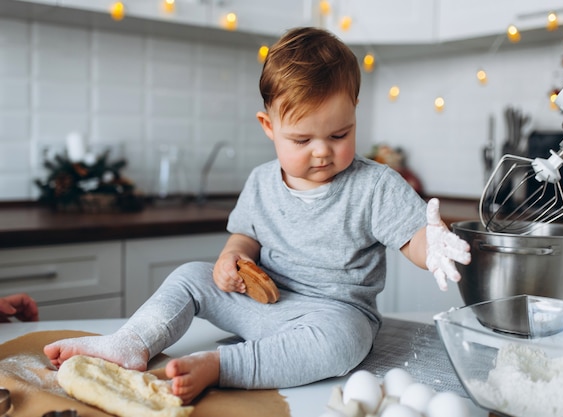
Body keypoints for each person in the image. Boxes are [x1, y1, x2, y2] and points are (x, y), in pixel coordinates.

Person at [43, 27, 471, 405]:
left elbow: (413, 235)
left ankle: (222, 365)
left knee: (345, 344)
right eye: (302, 139)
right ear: (268, 126)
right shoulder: (261, 182)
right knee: (192, 275)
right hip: (260, 306)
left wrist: (430, 244)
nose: (322, 151)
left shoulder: (374, 185)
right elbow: (244, 238)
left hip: (333, 315)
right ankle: (131, 342)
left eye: (339, 134)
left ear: (355, 110)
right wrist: (231, 257)